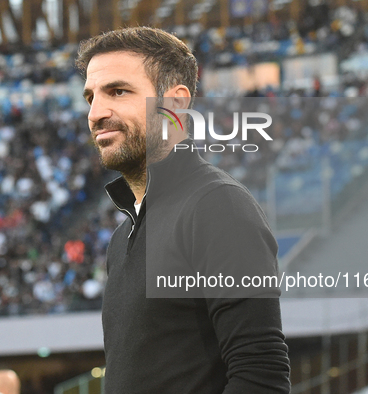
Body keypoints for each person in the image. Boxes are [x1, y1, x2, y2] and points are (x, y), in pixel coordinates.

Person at [76, 27, 291, 393]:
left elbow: (261, 375)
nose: (96, 113)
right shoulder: (121, 236)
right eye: (91, 97)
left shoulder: (217, 206)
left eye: (118, 91)